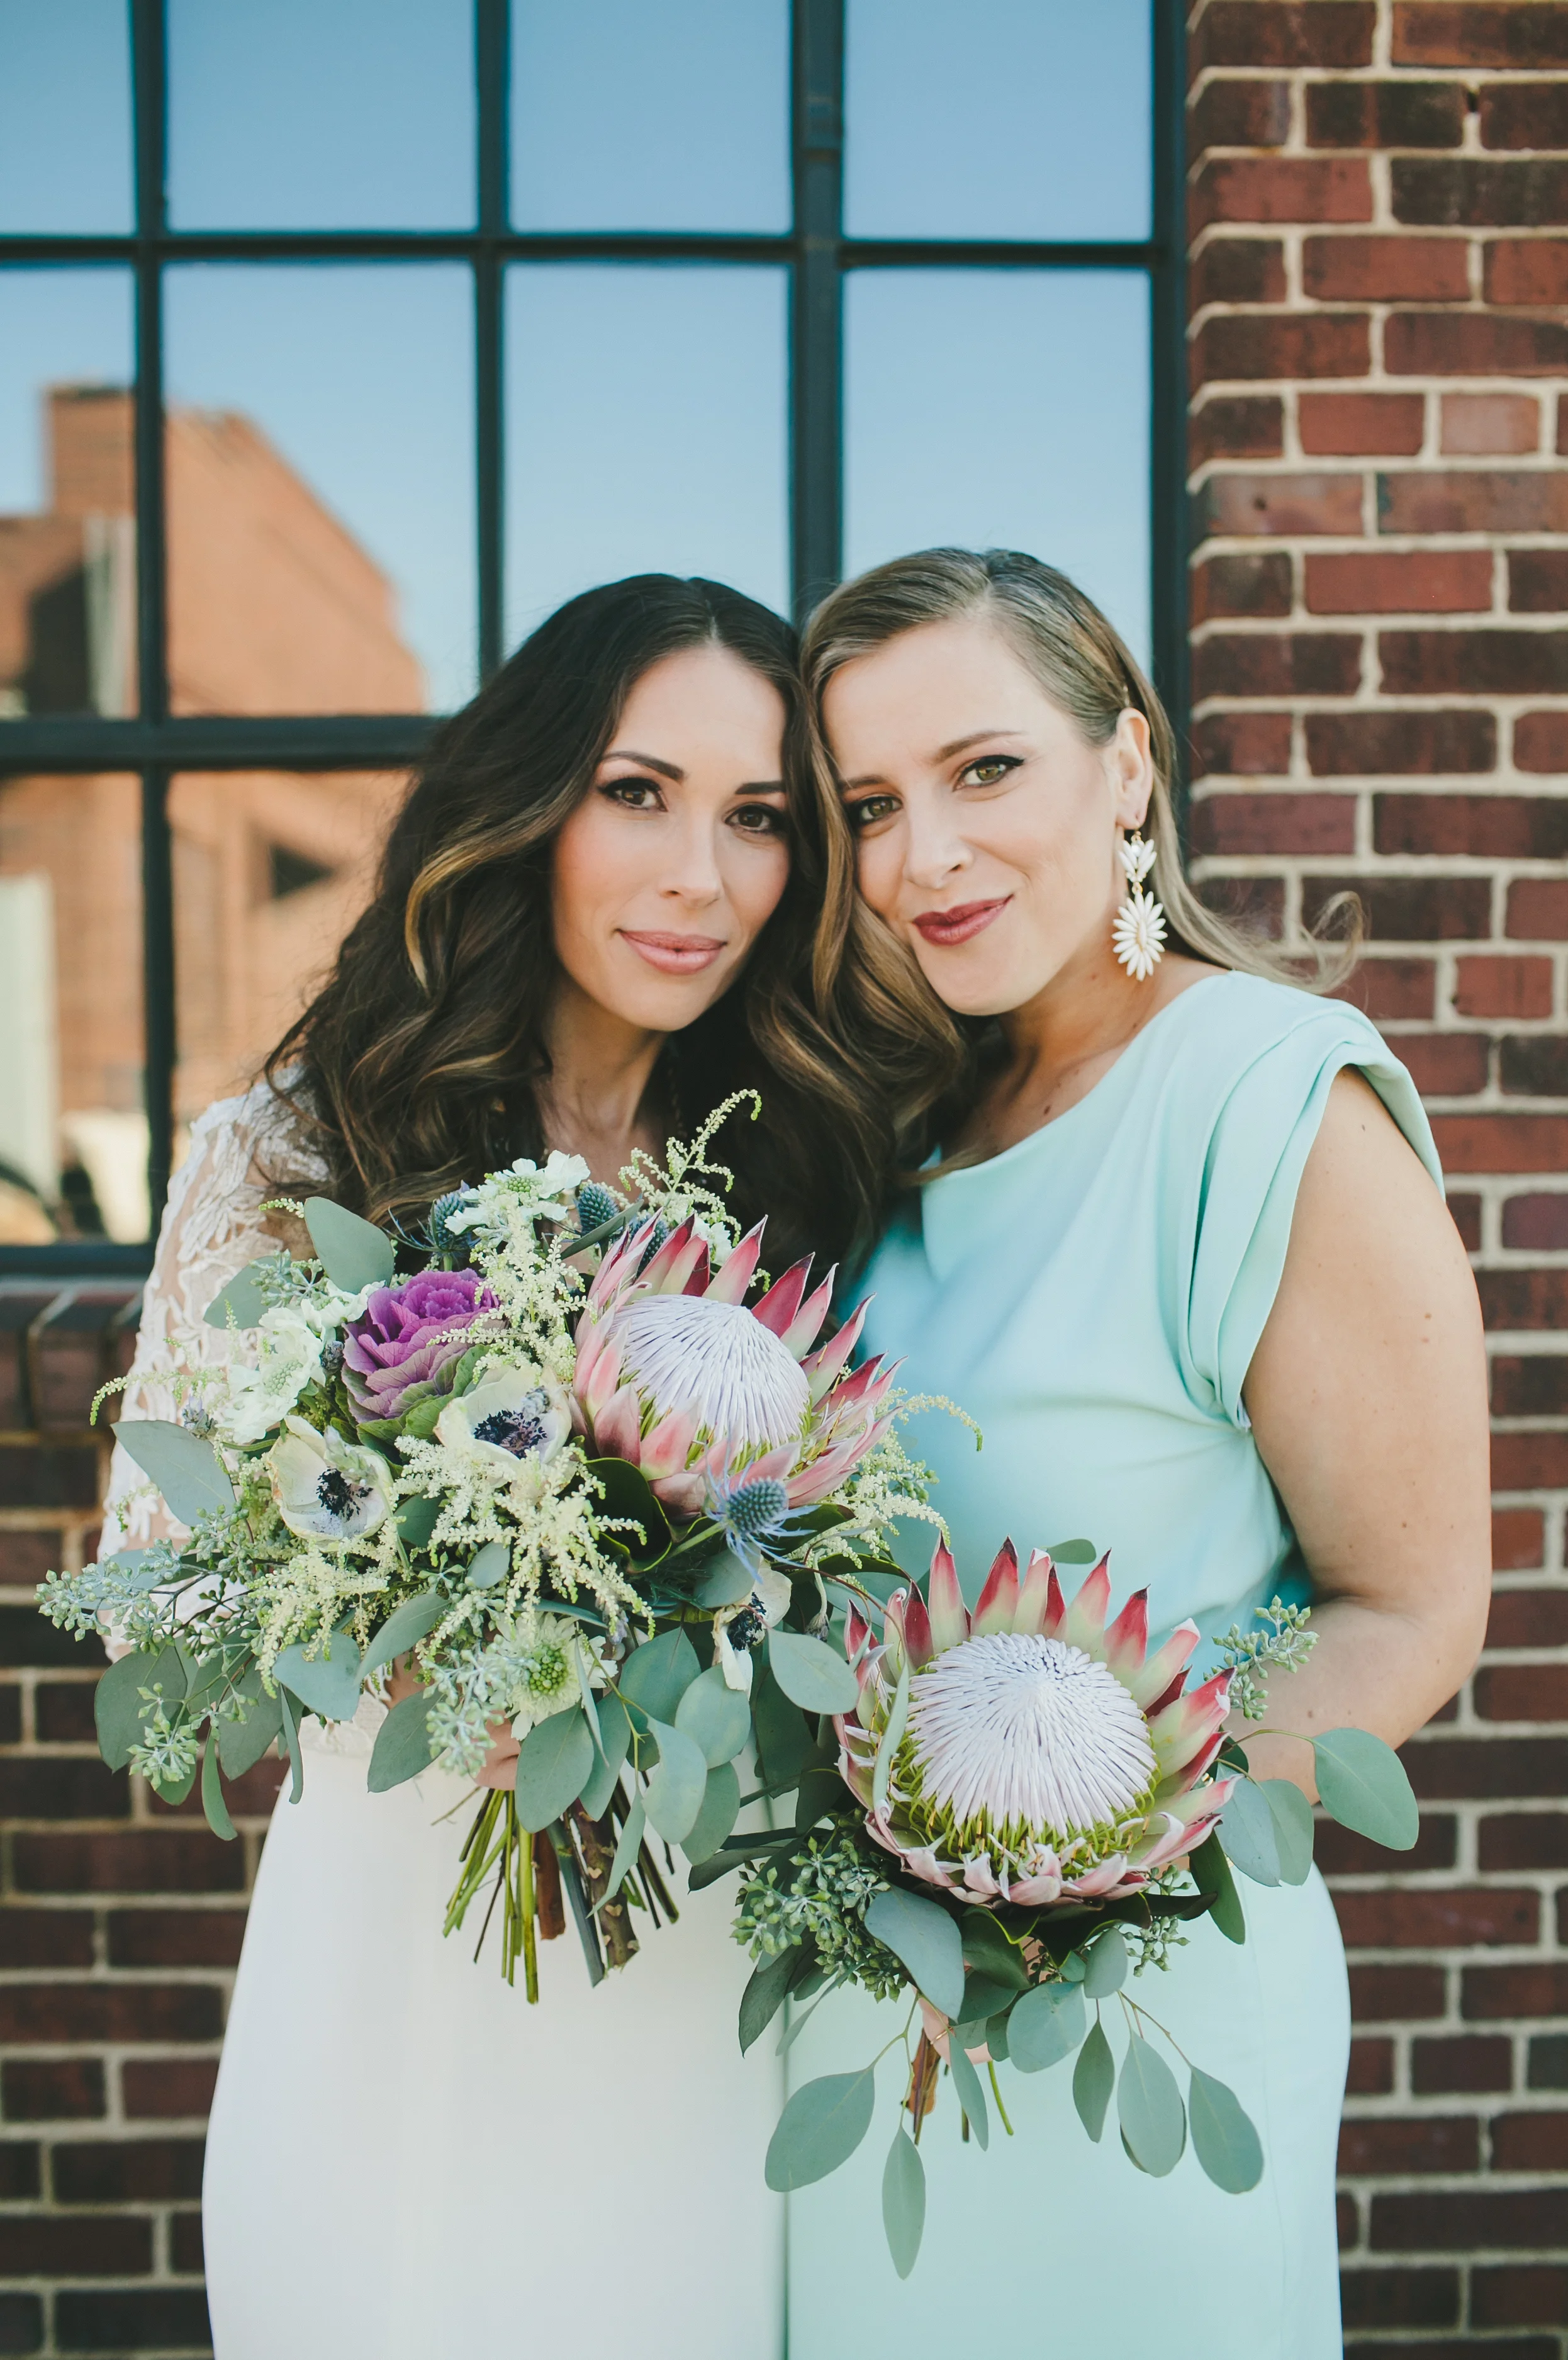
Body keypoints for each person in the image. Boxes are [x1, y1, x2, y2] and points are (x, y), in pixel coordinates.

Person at [100, 574, 882, 2358]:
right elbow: (158, 1587)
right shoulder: (307, 1146)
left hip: (702, 1986)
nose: (702, 877)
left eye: (759, 817)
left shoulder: (803, 1171)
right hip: (409, 1974)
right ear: (526, 804)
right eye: (638, 793)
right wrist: (433, 1647)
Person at [783, 548, 1491, 2357]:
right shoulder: (900, 1127)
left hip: (1131, 2016)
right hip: (859, 2029)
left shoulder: (1270, 1098)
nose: (925, 855)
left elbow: (1411, 1611)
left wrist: (1060, 1862)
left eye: (983, 769)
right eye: (870, 806)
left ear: (1128, 765)